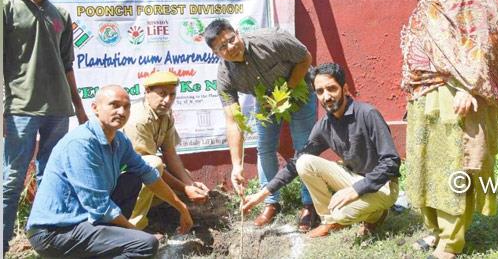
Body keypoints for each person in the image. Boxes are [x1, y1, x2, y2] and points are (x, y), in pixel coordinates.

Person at [399, 0, 498, 259]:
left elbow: (485, 41)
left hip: (457, 94)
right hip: (424, 93)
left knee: (453, 166)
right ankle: (435, 232)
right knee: (425, 166)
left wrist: (469, 87)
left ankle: (451, 242)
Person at [26, 85, 193, 258]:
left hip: (82, 220)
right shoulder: (80, 144)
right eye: (114, 105)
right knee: (145, 245)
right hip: (55, 232)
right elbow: (99, 206)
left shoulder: (119, 140)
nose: (122, 112)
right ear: (95, 108)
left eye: (126, 106)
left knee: (132, 179)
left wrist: (182, 207)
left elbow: (148, 174)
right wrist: (136, 233)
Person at [240, 63, 400, 239]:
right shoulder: (324, 126)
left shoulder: (367, 114)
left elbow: (391, 162)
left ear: (345, 89)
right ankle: (330, 221)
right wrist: (262, 194)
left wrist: (357, 189)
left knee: (342, 213)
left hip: (383, 185)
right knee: (304, 161)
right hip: (353, 180)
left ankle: (376, 214)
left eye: (331, 88)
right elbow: (295, 164)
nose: (327, 96)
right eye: (320, 91)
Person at [2, 0, 90, 253]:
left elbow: (67, 66)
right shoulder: (6, 8)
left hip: (57, 110)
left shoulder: (61, 15)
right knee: (11, 181)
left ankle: (44, 244)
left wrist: (79, 109)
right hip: (21, 109)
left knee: (50, 179)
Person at [204, 19, 321, 231]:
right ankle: (270, 202)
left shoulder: (271, 39)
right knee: (265, 147)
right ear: (216, 53)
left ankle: (309, 204)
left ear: (237, 33)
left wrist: (285, 93)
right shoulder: (224, 76)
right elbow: (233, 121)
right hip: (266, 99)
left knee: (304, 148)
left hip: (299, 87)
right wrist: (237, 166)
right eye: (222, 47)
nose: (230, 47)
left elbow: (305, 58)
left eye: (231, 40)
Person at [122, 71, 211, 230]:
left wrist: (190, 185)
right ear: (147, 92)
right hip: (117, 183)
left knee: (186, 176)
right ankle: (133, 227)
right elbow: (145, 168)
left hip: (137, 177)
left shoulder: (166, 115)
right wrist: (184, 188)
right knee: (154, 165)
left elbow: (170, 153)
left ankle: (157, 214)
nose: (167, 100)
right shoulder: (138, 119)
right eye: (162, 94)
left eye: (172, 95)